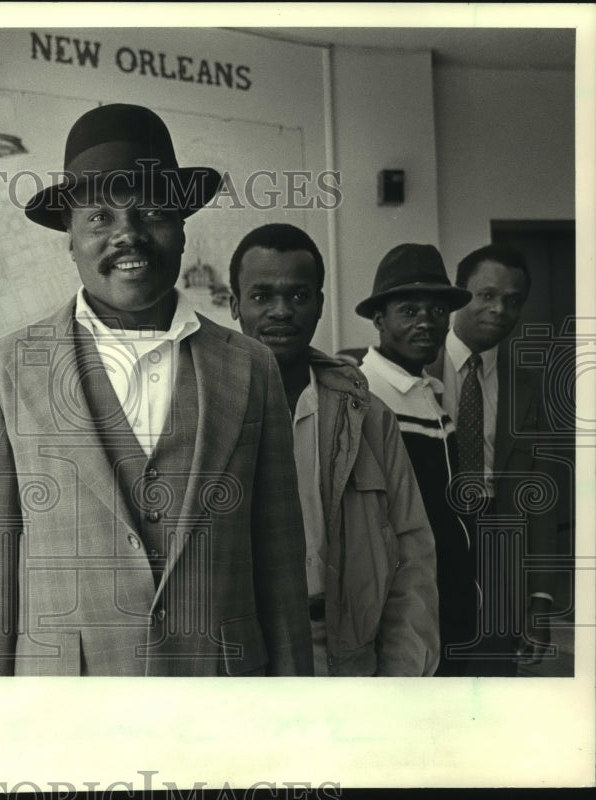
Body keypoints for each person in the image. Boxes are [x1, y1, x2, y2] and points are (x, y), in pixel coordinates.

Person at [0, 103, 313, 676]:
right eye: (99, 218)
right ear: (69, 237)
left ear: (182, 229)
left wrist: (294, 712)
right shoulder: (3, 370)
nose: (129, 235)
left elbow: (279, 563)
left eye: (151, 211)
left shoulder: (251, 367)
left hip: (222, 704)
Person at [228, 224, 439, 676]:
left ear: (320, 304)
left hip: (343, 653)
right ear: (234, 305)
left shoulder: (368, 416)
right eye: (262, 296)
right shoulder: (205, 412)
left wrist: (402, 675)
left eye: (299, 296)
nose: (282, 311)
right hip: (243, 657)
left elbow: (412, 551)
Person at [427, 244, 559, 674]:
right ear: (458, 294)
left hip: (497, 551)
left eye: (513, 300)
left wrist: (539, 601)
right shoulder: (412, 367)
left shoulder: (529, 388)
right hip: (427, 541)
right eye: (486, 295)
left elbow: (540, 506)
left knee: (491, 683)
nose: (500, 309)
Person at [353, 243, 477, 676]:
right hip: (402, 615)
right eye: (409, 310)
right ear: (379, 319)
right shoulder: (362, 394)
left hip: (448, 600)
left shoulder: (428, 392)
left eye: (438, 311)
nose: (426, 322)